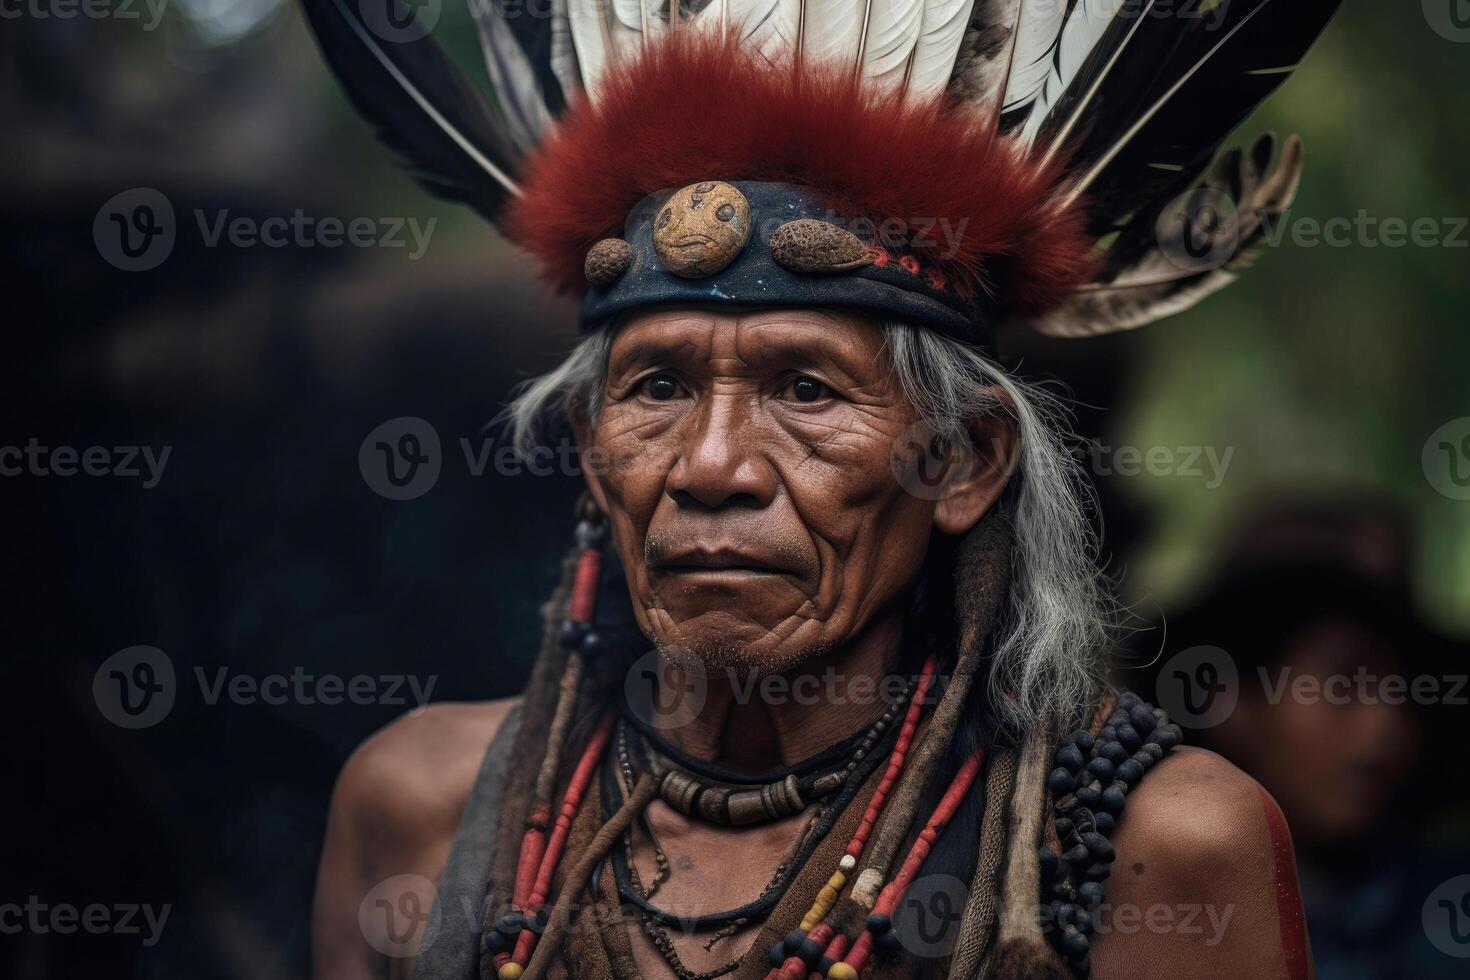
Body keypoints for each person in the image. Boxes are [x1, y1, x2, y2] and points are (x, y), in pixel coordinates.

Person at [300, 1, 1342, 977]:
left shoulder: (1161, 849)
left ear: (962, 461)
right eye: (657, 387)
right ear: (588, 448)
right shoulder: (416, 808)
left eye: (805, 388)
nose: (712, 465)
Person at [1136, 500, 1468, 979]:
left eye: (1409, 687)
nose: (1388, 724)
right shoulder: (1150, 916)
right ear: (1228, 700)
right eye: (1343, 684)